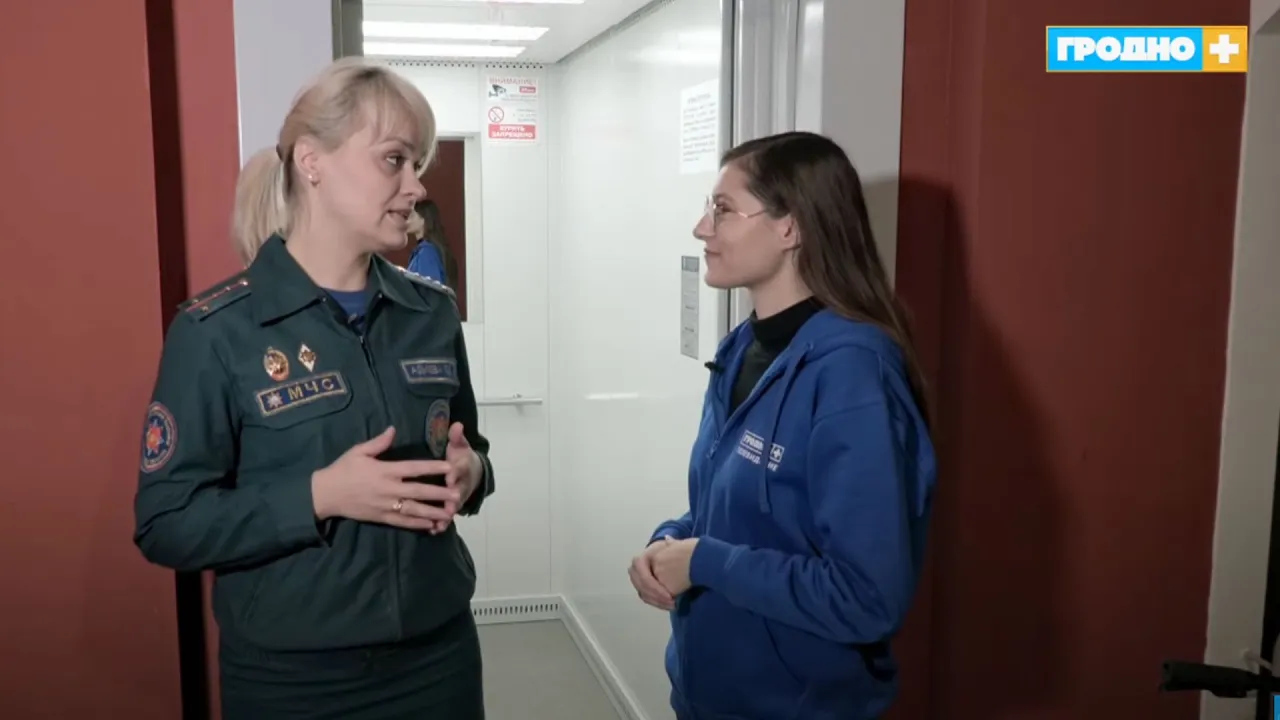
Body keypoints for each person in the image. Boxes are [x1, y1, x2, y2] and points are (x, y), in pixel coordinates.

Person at [132, 57, 494, 719]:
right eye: (395, 160)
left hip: (438, 658)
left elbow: (474, 451)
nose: (416, 187)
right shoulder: (216, 331)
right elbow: (166, 524)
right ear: (311, 161)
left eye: (417, 163)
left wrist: (472, 474)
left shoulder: (431, 313)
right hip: (295, 682)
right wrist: (320, 495)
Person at [628, 131, 936, 720]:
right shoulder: (741, 349)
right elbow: (732, 513)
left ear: (790, 227)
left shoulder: (853, 374)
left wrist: (704, 561)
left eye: (723, 210)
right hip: (706, 698)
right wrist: (671, 540)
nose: (701, 228)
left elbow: (866, 597)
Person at [407, 198, 458, 288]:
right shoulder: (428, 251)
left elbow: (429, 290)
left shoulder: (426, 253)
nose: (407, 221)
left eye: (412, 216)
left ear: (423, 220)